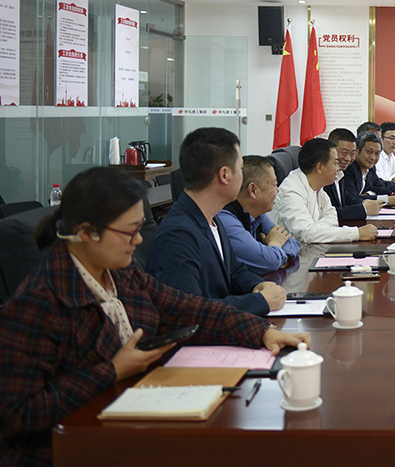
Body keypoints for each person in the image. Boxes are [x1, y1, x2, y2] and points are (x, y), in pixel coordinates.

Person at [0, 167, 310, 466]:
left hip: (136, 421)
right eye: (129, 231)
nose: (138, 240)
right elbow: (14, 412)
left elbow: (186, 308)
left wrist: (262, 331)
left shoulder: (121, 274)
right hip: (74, 449)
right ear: (86, 233)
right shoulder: (38, 302)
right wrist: (113, 370)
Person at [147, 128, 286, 316]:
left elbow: (234, 270)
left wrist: (257, 285)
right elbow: (188, 311)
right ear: (225, 175)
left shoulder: (213, 219)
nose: (243, 177)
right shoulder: (178, 234)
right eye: (241, 169)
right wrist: (259, 301)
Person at [271, 137, 378, 243]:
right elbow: (307, 234)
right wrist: (357, 233)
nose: (338, 168)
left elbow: (332, 216)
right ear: (320, 167)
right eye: (335, 163)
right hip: (293, 252)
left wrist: (317, 229)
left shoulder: (317, 187)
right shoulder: (291, 192)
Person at [217, 155, 300, 275]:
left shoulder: (258, 214)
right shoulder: (226, 220)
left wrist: (273, 251)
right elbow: (269, 262)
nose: (278, 190)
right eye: (274, 185)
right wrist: (275, 244)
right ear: (253, 190)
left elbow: (292, 244)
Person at [323, 128, 384, 221]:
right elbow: (329, 213)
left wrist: (365, 202)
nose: (348, 158)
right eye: (344, 153)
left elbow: (348, 199)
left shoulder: (340, 173)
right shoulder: (323, 176)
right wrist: (363, 209)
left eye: (352, 154)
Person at [342, 131, 395, 206]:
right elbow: (351, 199)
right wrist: (385, 200)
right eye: (369, 152)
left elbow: (380, 186)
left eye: (377, 153)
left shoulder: (370, 169)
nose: (373, 157)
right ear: (357, 150)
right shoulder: (349, 169)